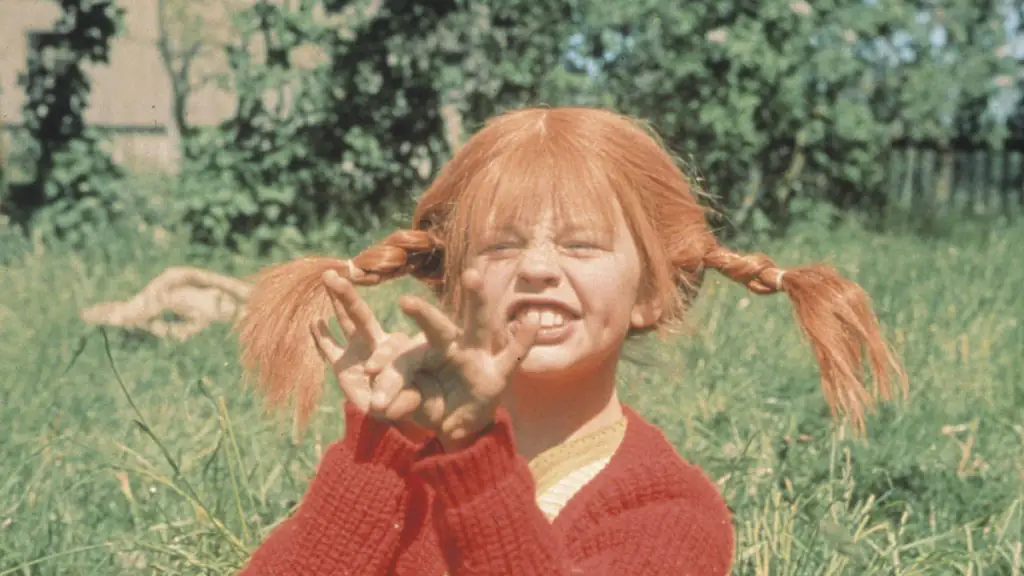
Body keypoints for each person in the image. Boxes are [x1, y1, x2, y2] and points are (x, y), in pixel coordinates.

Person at [234, 107, 906, 575]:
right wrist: (379, 444)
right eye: (500, 246)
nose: (537, 268)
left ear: (651, 293)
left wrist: (474, 457)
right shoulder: (394, 466)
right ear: (452, 287)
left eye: (582, 245)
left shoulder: (670, 511)